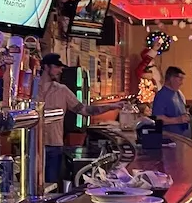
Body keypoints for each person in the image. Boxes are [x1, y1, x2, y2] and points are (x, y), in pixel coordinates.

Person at [36, 54, 126, 186]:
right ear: (46, 67)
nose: (60, 70)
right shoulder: (29, 87)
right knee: (32, 184)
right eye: (57, 67)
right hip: (34, 146)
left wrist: (111, 106)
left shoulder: (62, 90)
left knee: (50, 185)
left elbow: (84, 110)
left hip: (54, 145)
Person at [151, 66, 190, 135]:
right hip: (170, 140)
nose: (182, 83)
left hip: (182, 138)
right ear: (172, 78)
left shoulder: (178, 93)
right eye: (180, 79)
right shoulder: (161, 96)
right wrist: (178, 120)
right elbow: (158, 119)